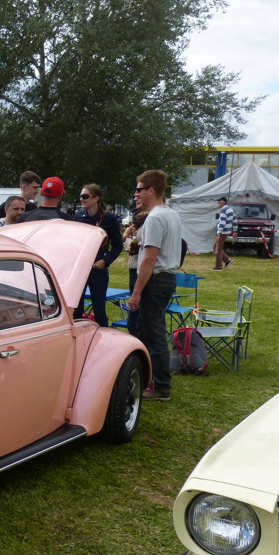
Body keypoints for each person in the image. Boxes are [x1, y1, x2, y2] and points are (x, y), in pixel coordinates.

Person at [127, 170, 182, 402]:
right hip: (165, 278)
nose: (135, 194)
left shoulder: (156, 218)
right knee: (149, 331)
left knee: (155, 335)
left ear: (151, 191)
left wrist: (137, 292)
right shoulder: (171, 214)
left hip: (155, 280)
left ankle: (161, 387)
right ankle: (150, 379)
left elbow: (149, 259)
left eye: (139, 189)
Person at [73, 184, 123, 326]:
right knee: (76, 309)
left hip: (98, 268)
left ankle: (102, 341)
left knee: (99, 309)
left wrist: (105, 261)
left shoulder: (109, 218)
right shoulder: (78, 216)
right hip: (80, 268)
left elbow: (118, 245)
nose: (81, 199)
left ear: (96, 198)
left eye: (85, 196)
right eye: (80, 196)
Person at [122, 210, 148, 337]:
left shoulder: (143, 230)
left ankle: (139, 342)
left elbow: (132, 249)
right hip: (134, 269)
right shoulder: (141, 229)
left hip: (137, 270)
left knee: (133, 319)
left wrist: (126, 236)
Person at [212, 196, 235, 270]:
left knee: (218, 249)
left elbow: (222, 222)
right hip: (227, 231)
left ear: (223, 202)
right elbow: (235, 221)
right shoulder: (230, 210)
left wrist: (219, 233)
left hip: (222, 232)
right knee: (215, 246)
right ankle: (227, 260)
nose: (218, 203)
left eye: (219, 202)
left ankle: (218, 267)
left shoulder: (223, 210)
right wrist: (235, 231)